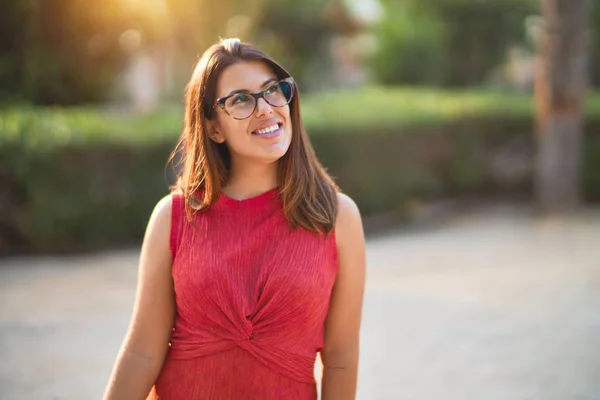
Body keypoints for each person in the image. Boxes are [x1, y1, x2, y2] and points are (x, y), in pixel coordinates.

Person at [103, 38, 366, 400]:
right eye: (240, 99)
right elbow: (142, 351)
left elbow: (340, 359)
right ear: (213, 128)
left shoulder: (337, 217)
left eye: (272, 91)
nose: (266, 109)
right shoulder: (173, 217)